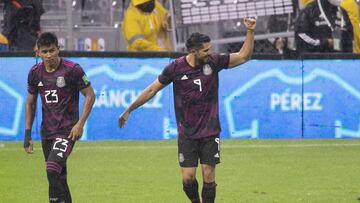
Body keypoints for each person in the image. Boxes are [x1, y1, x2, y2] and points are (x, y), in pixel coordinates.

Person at [118, 17, 256, 203]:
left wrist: (250, 31)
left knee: (209, 174)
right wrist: (129, 109)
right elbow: (151, 89)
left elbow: (243, 56)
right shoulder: (175, 68)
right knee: (188, 177)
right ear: (193, 51)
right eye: (206, 50)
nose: (210, 53)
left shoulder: (213, 62)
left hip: (210, 130)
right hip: (187, 133)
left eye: (210, 49)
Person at [24, 32, 95, 203]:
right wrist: (27, 134)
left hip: (67, 131)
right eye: (45, 52)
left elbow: (90, 95)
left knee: (52, 169)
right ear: (38, 52)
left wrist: (80, 124)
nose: (49, 55)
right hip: (47, 133)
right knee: (59, 177)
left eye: (52, 50)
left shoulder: (72, 70)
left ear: (58, 49)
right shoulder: (34, 73)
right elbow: (30, 104)